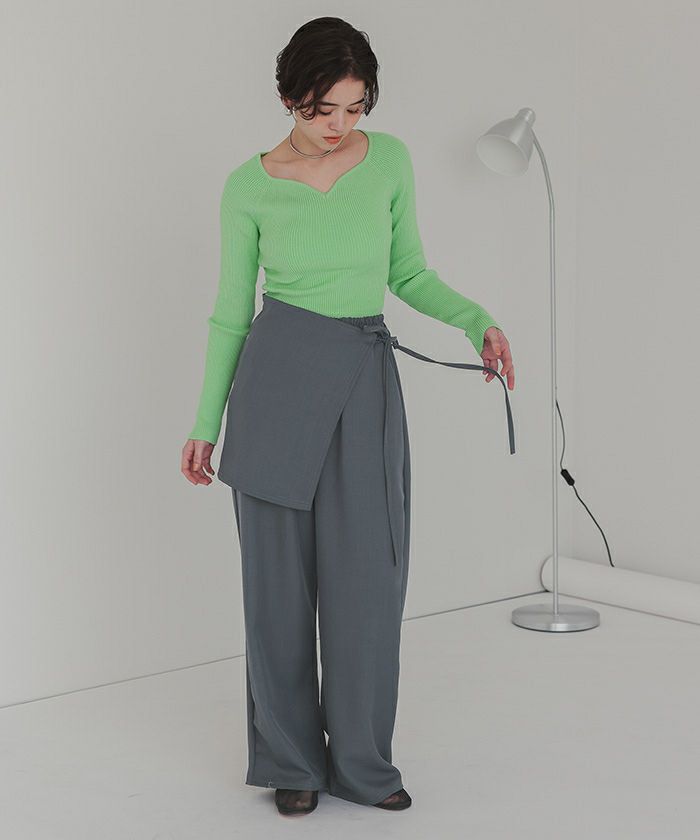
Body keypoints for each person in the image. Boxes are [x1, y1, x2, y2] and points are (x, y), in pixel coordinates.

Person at [181, 16, 515, 817]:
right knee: (276, 590)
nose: (339, 126)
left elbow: (409, 272)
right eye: (321, 109)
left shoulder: (388, 160)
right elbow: (230, 313)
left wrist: (477, 320)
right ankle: (292, 762)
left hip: (363, 380)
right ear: (287, 96)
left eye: (355, 108)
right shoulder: (247, 186)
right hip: (273, 386)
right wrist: (205, 421)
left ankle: (362, 762)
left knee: (369, 578)